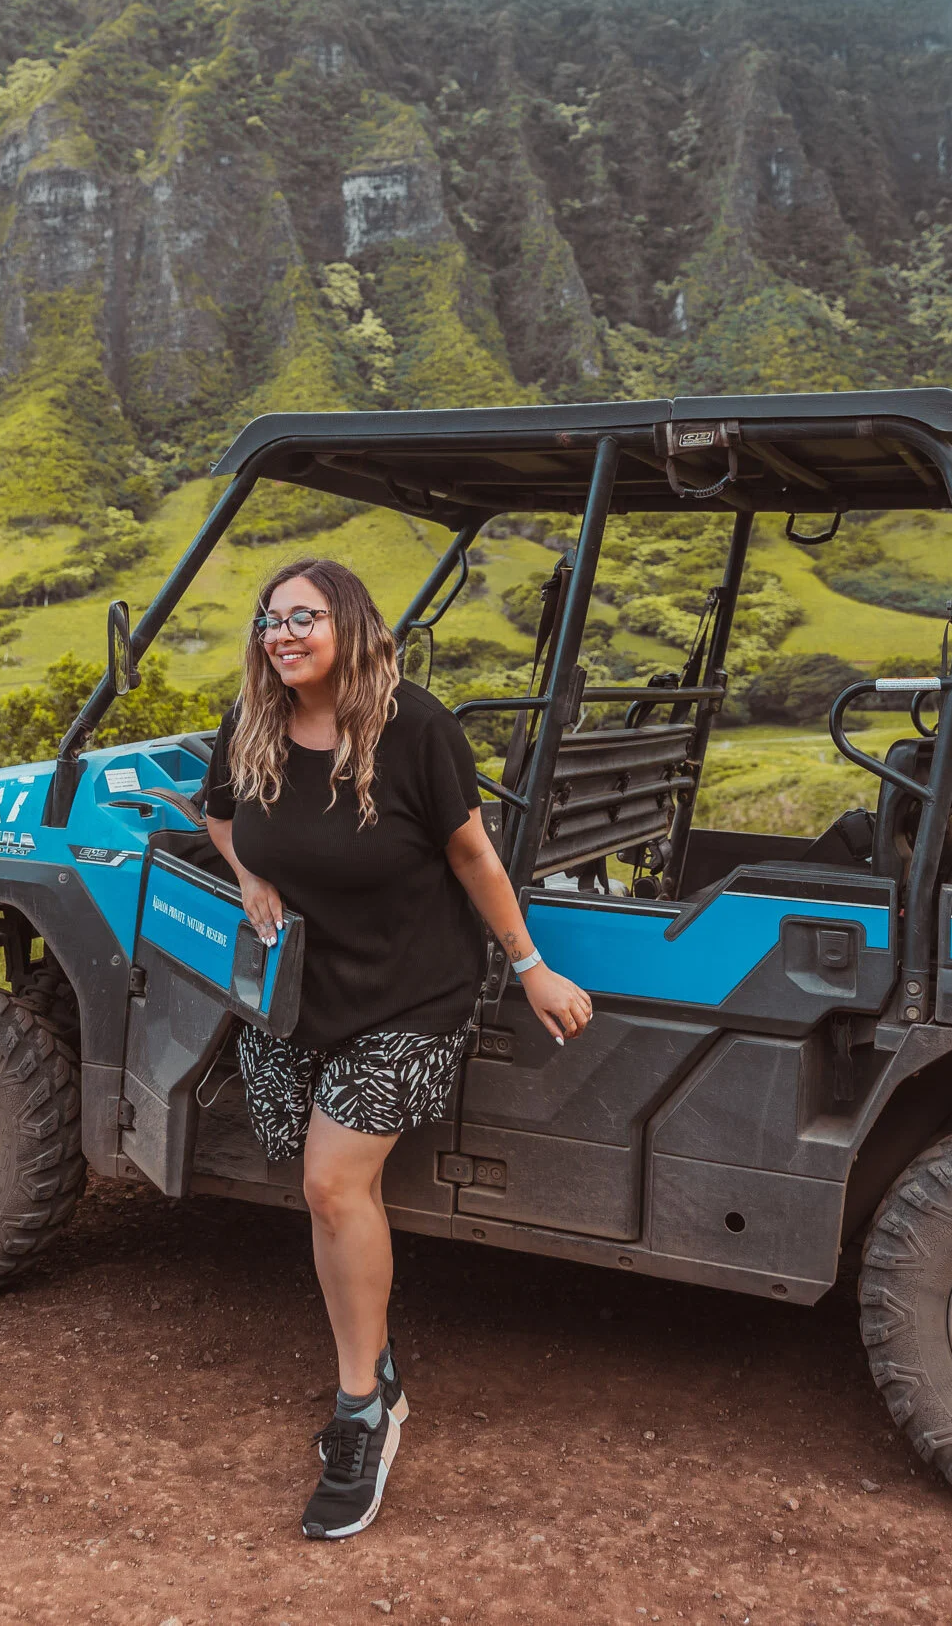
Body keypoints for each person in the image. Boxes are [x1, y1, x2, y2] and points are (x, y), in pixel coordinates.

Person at [204, 556, 593, 1539]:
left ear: (350, 621)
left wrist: (532, 965)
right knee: (326, 1193)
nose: (283, 633)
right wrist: (249, 875)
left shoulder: (414, 727)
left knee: (332, 1185)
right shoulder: (253, 721)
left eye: (304, 616)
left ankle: (364, 1411)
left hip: (411, 994)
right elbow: (218, 811)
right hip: (303, 992)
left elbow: (472, 852)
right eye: (270, 619)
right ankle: (370, 1354)